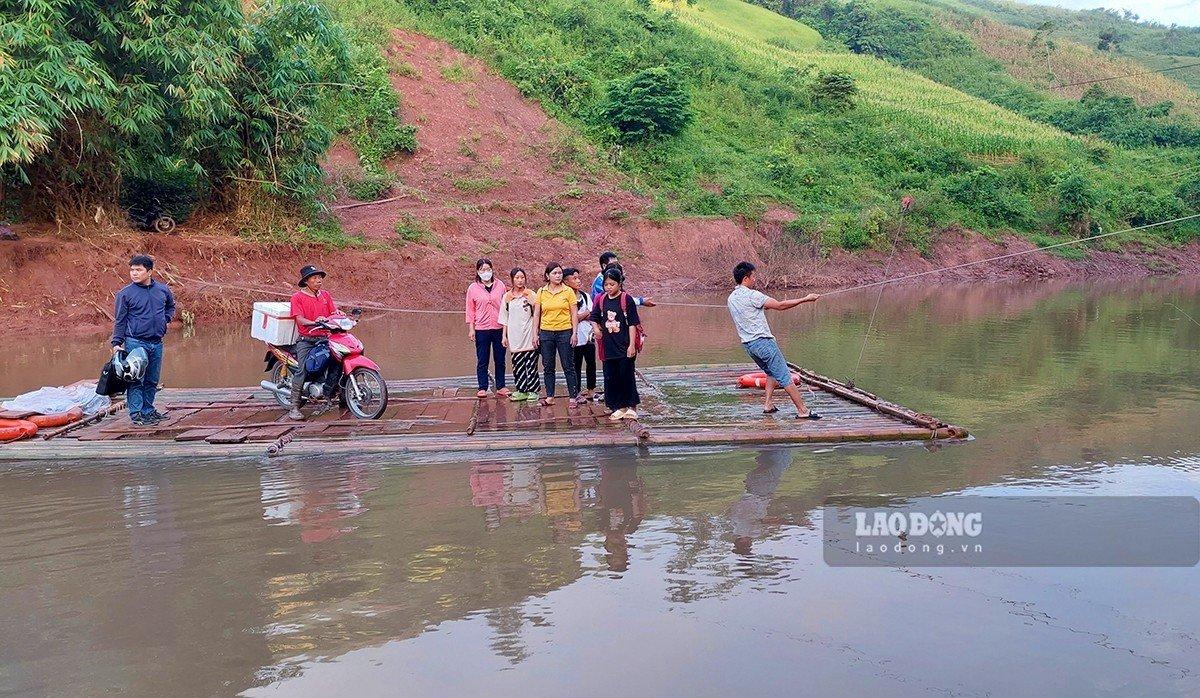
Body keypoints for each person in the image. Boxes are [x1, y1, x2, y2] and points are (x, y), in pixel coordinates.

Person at [727, 261, 821, 419]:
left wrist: (765, 306)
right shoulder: (753, 295)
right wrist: (806, 299)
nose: (755, 279)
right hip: (763, 343)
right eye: (753, 276)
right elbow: (781, 305)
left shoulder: (731, 298)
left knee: (770, 371)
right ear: (745, 278)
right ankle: (803, 411)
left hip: (749, 346)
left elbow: (754, 310)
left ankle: (768, 405)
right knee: (784, 375)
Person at [110, 254, 176, 426]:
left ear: (149, 272)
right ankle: (136, 413)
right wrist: (116, 343)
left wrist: (166, 319)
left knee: (152, 380)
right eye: (132, 270)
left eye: (138, 270)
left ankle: (148, 410)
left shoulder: (162, 290)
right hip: (135, 342)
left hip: (156, 342)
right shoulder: (125, 294)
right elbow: (120, 320)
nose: (134, 273)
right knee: (136, 379)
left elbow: (171, 306)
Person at [589, 267, 642, 420]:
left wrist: (632, 345)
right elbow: (593, 317)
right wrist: (596, 329)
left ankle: (632, 406)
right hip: (608, 346)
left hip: (624, 345)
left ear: (619, 284)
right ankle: (620, 406)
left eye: (612, 284)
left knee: (626, 376)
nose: (609, 287)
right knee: (611, 377)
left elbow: (632, 323)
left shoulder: (626, 299)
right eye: (606, 284)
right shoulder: (602, 299)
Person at [288, 264, 338, 421]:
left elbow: (333, 312)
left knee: (338, 360)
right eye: (315, 278)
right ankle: (294, 407)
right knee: (302, 370)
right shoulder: (297, 297)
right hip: (306, 340)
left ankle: (333, 394)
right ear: (306, 281)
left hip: (325, 337)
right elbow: (299, 319)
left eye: (320, 277)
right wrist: (314, 322)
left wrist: (339, 314)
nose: (319, 280)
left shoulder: (325, 296)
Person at [533, 262, 581, 406]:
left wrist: (574, 333)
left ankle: (573, 397)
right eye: (554, 273)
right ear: (547, 275)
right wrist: (535, 334)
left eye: (560, 273)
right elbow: (537, 314)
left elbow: (574, 314)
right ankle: (550, 397)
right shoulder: (541, 292)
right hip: (546, 332)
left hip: (565, 331)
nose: (558, 276)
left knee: (568, 365)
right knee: (548, 366)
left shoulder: (568, 291)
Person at [466, 258, 509, 398]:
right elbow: (470, 310)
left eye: (488, 269)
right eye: (483, 270)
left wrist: (506, 328)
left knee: (500, 358)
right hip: (481, 328)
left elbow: (506, 306)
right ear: (478, 271)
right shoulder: (473, 288)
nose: (486, 272)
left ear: (492, 269)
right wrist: (471, 329)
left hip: (498, 327)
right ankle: (482, 387)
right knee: (482, 359)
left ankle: (501, 386)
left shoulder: (500, 285)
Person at [499, 268, 540, 401]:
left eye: (522, 277)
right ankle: (521, 390)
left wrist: (536, 333)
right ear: (512, 279)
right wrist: (504, 336)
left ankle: (533, 390)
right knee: (517, 364)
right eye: (517, 277)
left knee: (531, 364)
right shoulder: (507, 297)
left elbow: (539, 312)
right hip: (514, 334)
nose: (520, 280)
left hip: (529, 333)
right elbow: (504, 318)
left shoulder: (530, 294)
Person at [564, 267, 597, 400]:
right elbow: (570, 318)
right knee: (575, 365)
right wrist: (583, 315)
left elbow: (592, 314)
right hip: (574, 336)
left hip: (588, 336)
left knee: (591, 364)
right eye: (574, 278)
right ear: (566, 282)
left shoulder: (585, 296)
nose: (578, 281)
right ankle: (576, 391)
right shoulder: (565, 298)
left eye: (578, 278)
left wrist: (578, 316)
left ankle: (591, 389)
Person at [590, 251, 654, 307]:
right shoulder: (600, 281)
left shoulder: (610, 278)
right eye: (614, 263)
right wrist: (641, 301)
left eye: (617, 263)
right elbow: (616, 298)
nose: (617, 265)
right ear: (604, 266)